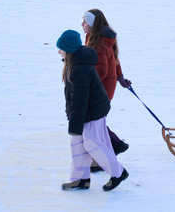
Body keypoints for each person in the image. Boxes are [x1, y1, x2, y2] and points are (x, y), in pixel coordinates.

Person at [55, 29, 128, 192]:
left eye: (60, 48)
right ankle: (80, 179)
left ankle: (118, 172)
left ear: (68, 50)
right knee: (77, 144)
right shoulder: (74, 65)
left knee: (92, 143)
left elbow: (80, 100)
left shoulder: (79, 69)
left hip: (93, 112)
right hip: (84, 112)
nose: (58, 51)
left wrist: (75, 124)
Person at [81, 10, 132, 160]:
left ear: (92, 24)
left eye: (85, 21)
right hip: (103, 88)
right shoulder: (95, 37)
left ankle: (112, 147)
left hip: (101, 90)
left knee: (93, 122)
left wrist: (82, 79)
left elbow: (100, 71)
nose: (82, 24)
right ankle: (115, 145)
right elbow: (115, 59)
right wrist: (120, 78)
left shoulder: (99, 44)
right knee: (96, 121)